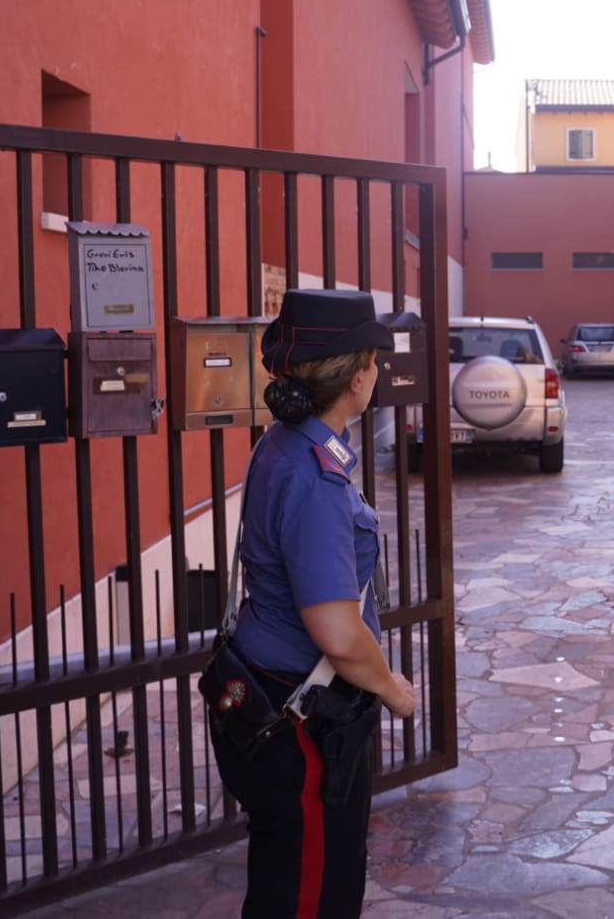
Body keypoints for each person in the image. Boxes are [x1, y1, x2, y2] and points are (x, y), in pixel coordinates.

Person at [208, 288, 418, 918]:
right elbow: (335, 629)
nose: (377, 373)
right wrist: (393, 689)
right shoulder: (314, 476)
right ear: (357, 378)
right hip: (302, 712)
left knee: (285, 871)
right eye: (374, 363)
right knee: (312, 892)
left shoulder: (284, 444)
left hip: (264, 686)